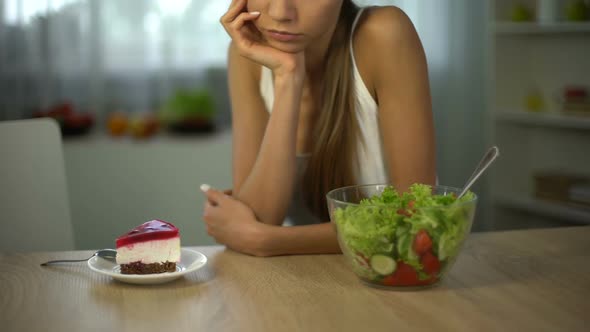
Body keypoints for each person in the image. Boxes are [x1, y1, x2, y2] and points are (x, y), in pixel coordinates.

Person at [200, 0, 435, 256]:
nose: (280, 13)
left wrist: (269, 240)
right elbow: (257, 217)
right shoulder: (246, 53)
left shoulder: (384, 33)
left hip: (389, 279)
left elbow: (413, 217)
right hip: (307, 281)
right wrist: (288, 77)